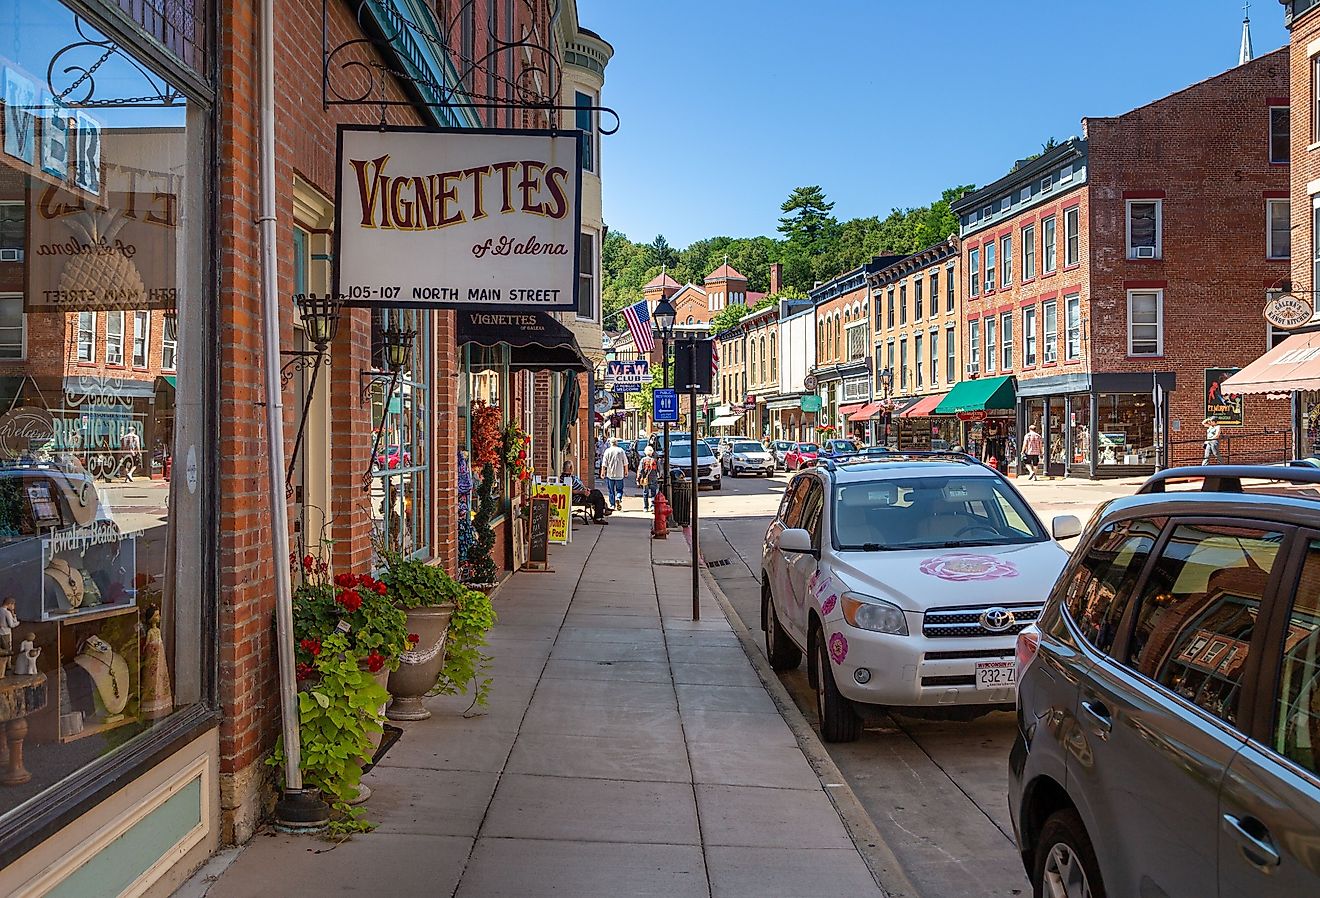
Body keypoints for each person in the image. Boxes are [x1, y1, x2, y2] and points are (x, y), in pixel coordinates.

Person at [599, 437, 628, 510]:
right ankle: (618, 497)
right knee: (619, 489)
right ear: (616, 443)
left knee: (611, 490)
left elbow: (604, 463)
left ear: (610, 443)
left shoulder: (607, 451)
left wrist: (603, 472)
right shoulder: (621, 451)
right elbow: (625, 462)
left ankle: (612, 504)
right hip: (619, 474)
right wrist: (626, 471)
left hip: (610, 474)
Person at [637, 445, 659, 511]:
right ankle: (652, 506)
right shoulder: (654, 460)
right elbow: (658, 469)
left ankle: (645, 507)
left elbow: (640, 470)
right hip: (653, 477)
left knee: (645, 492)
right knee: (653, 492)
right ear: (652, 452)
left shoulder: (643, 460)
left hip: (645, 478)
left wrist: (638, 478)